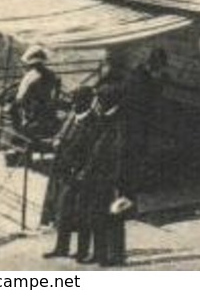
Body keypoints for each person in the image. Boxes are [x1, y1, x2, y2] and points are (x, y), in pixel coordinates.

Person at [76, 83, 130, 267]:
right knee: (97, 215)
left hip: (111, 177)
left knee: (114, 215)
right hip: (97, 176)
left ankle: (116, 255)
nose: (96, 102)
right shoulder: (104, 118)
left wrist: (118, 179)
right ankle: (100, 254)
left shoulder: (120, 121)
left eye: (99, 99)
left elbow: (120, 153)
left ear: (107, 100)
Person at [41, 86, 97, 260]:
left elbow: (93, 151)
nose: (73, 104)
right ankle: (61, 247)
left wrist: (83, 171)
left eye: (76, 100)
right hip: (65, 172)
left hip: (80, 174)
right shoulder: (72, 118)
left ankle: (82, 251)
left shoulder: (93, 122)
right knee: (63, 211)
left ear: (86, 103)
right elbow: (61, 137)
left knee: (82, 214)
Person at [121, 49, 167, 188]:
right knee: (136, 150)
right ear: (155, 64)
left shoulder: (137, 72)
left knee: (135, 150)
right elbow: (147, 98)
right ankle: (135, 182)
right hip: (136, 119)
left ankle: (131, 180)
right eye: (160, 66)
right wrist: (158, 83)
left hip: (134, 118)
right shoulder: (142, 78)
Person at [8, 45, 61, 150]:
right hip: (48, 111)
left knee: (12, 109)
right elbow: (57, 88)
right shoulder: (52, 74)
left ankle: (22, 136)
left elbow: (21, 98)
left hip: (34, 114)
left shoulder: (30, 77)